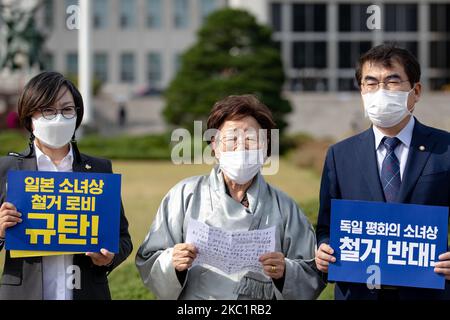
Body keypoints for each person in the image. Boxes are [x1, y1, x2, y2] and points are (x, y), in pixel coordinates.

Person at [136, 95, 325, 300]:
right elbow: (149, 259)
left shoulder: (285, 207)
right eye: (231, 138)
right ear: (214, 146)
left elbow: (312, 271)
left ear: (266, 147)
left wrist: (285, 272)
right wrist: (172, 263)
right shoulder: (184, 195)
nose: (241, 146)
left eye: (251, 139)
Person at [315, 44, 450, 300]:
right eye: (371, 83)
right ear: (361, 91)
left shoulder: (445, 149)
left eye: (392, 81)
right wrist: (323, 248)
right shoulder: (339, 155)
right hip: (358, 294)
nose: (381, 91)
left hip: (428, 293)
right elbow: (326, 226)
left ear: (416, 90)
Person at [0, 72, 133, 300]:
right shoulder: (7, 169)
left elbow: (123, 238)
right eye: (48, 110)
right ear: (30, 117)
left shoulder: (99, 170)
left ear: (77, 115)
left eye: (67, 110)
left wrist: (109, 257)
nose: (59, 118)